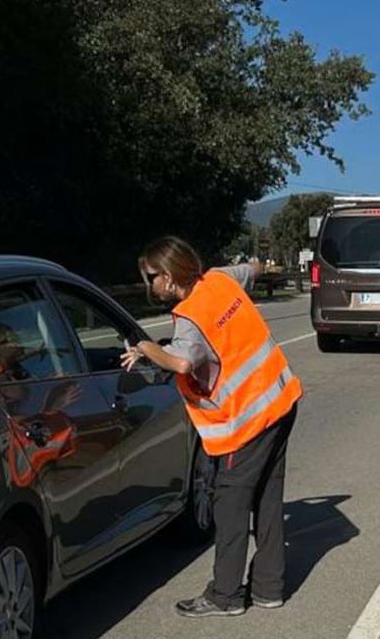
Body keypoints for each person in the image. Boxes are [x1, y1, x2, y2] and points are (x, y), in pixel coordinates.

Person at [120, 236, 302, 618]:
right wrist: (260, 266)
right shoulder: (220, 279)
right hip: (280, 399)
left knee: (231, 506)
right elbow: (252, 270)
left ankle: (226, 595)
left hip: (244, 422)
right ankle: (269, 589)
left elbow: (182, 364)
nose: (148, 284)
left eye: (151, 276)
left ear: (169, 278)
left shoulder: (189, 319)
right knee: (268, 498)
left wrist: (146, 348)